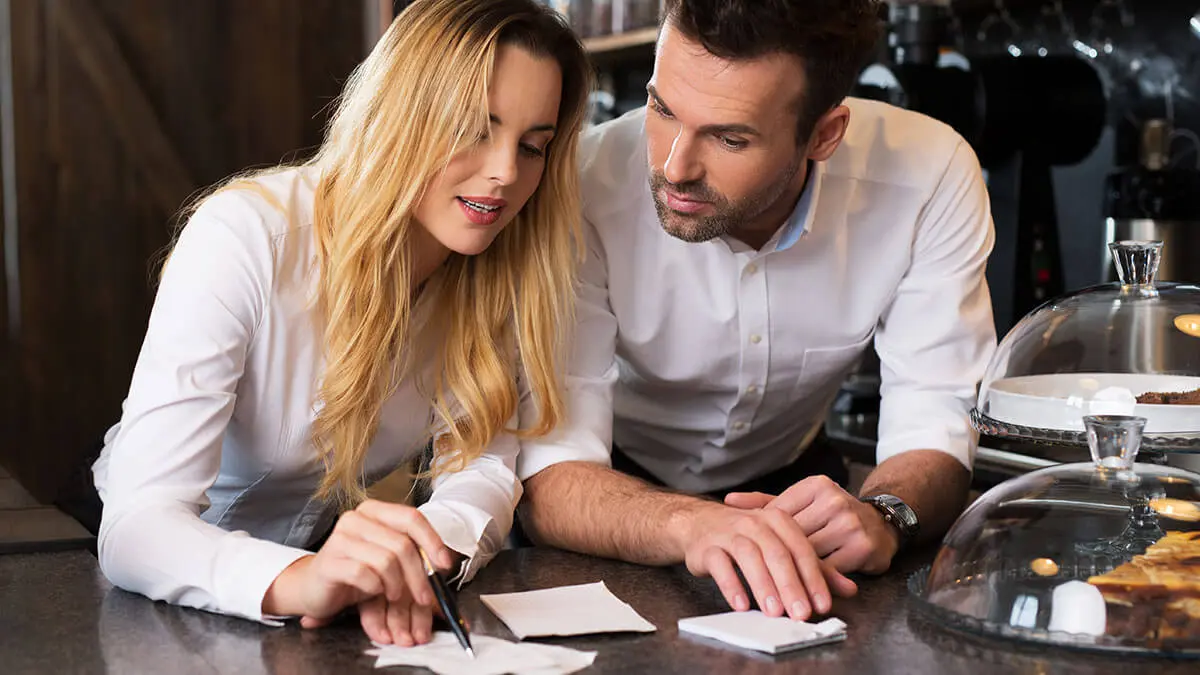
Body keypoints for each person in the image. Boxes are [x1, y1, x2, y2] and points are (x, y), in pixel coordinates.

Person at [92, 0, 590, 648]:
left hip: (307, 590)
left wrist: (415, 558)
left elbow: (482, 471)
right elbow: (137, 526)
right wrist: (304, 578)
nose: (504, 172)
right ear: (404, 114)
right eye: (474, 127)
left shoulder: (494, 272)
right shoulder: (247, 237)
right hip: (150, 578)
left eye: (533, 146)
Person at [516, 0, 997, 623]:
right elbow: (552, 470)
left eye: (729, 138)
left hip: (799, 497)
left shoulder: (929, 174)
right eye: (662, 109)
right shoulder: (580, 185)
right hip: (611, 498)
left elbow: (935, 419)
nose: (672, 167)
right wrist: (691, 523)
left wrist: (886, 515)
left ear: (825, 134)